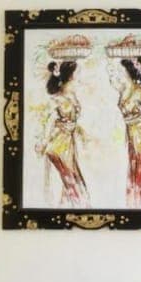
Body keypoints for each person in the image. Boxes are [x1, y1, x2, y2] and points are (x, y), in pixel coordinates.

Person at [36, 60, 89, 207]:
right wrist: (43, 142)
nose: (80, 79)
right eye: (78, 75)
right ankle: (80, 205)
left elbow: (72, 122)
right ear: (70, 77)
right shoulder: (57, 99)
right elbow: (50, 121)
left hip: (69, 144)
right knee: (71, 180)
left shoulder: (72, 97)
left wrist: (81, 133)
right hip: (58, 145)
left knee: (71, 181)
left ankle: (72, 206)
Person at [107, 56, 141, 207]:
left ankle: (138, 205)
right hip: (131, 137)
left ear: (128, 72)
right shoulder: (122, 90)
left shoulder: (140, 91)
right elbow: (113, 79)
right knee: (133, 174)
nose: (118, 73)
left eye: (121, 70)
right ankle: (133, 206)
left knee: (140, 176)